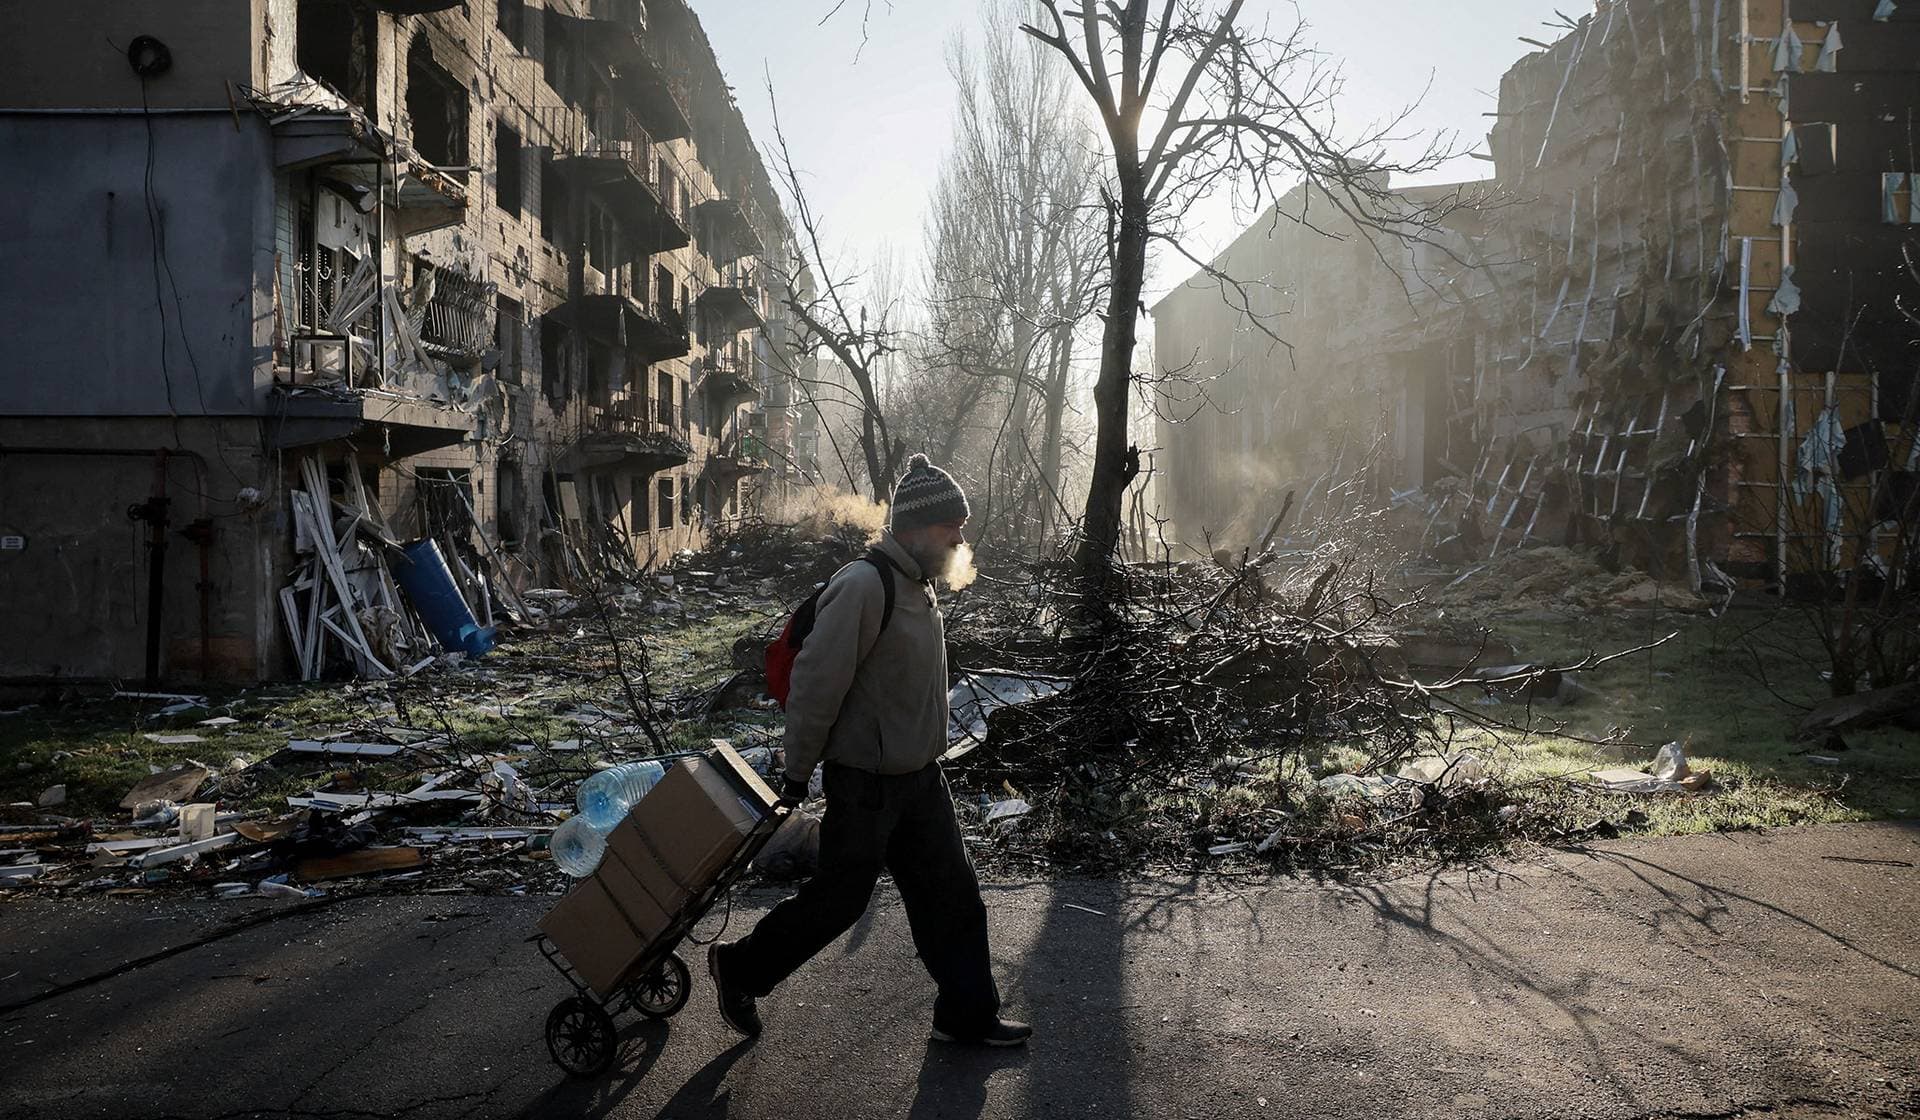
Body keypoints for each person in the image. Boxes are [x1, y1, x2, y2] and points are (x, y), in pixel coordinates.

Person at [708, 455, 1031, 1047]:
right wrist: (797, 772)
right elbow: (816, 686)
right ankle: (741, 967)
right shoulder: (864, 585)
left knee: (953, 897)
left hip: (921, 778)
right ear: (915, 527)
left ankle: (966, 1015)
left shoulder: (918, 586)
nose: (959, 537)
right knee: (839, 900)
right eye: (950, 525)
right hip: (867, 783)